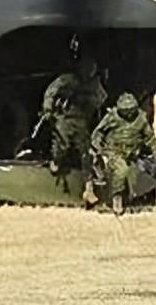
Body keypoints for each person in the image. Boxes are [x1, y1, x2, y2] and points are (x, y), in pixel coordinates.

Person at [32, 57, 107, 205]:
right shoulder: (67, 80)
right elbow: (51, 92)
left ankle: (89, 188)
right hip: (65, 118)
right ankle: (56, 161)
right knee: (61, 145)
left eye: (91, 69)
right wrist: (48, 109)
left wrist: (93, 104)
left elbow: (102, 98)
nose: (88, 72)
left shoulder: (94, 84)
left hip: (82, 121)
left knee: (86, 154)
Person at [91, 92, 156, 216]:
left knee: (148, 171)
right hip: (114, 152)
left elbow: (149, 136)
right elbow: (98, 132)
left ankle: (141, 199)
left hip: (133, 153)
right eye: (125, 111)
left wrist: (153, 150)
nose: (129, 114)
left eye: (131, 110)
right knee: (121, 170)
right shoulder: (112, 117)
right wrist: (98, 147)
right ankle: (117, 199)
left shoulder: (140, 118)